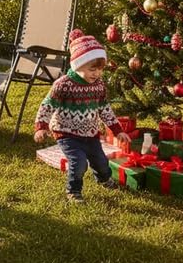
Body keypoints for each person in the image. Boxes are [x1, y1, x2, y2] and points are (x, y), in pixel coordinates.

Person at [33, 29, 131, 202]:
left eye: (100, 70)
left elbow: (104, 108)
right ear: (78, 64)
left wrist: (117, 130)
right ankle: (74, 191)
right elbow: (48, 105)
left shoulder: (98, 85)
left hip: (91, 133)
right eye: (92, 69)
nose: (97, 74)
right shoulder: (63, 85)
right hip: (67, 133)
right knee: (78, 162)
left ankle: (103, 178)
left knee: (101, 161)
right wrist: (41, 127)